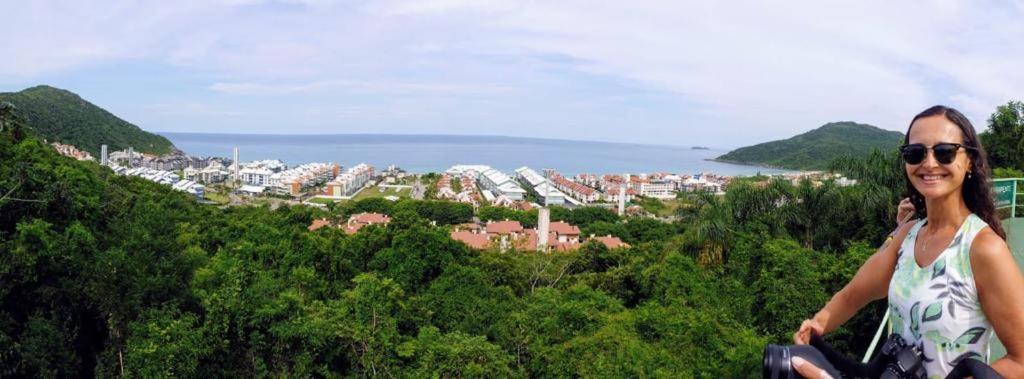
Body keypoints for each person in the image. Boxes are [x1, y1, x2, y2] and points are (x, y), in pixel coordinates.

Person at [791, 105, 1024, 378]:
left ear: (970, 160)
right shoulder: (908, 234)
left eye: (944, 151)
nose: (929, 163)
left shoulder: (983, 248)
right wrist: (817, 324)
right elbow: (854, 293)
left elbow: (1020, 360)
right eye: (915, 153)